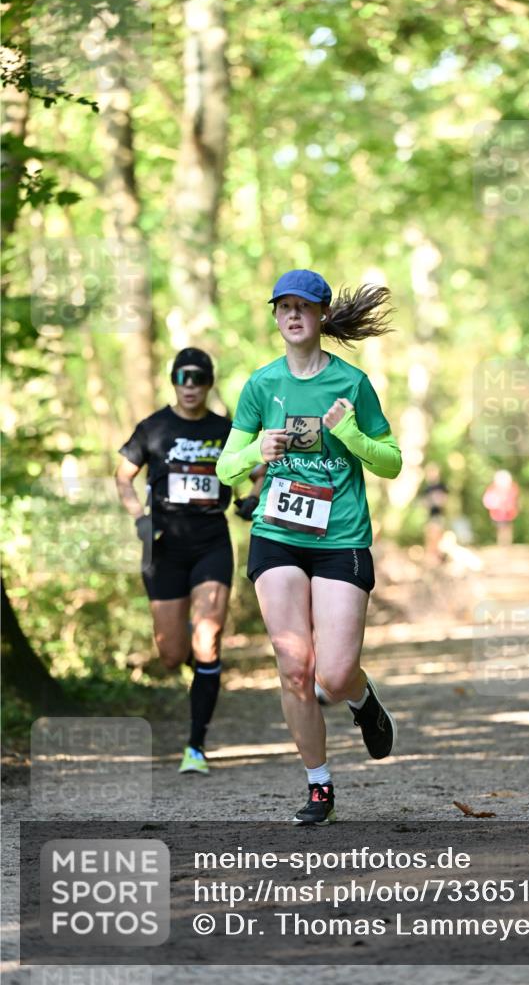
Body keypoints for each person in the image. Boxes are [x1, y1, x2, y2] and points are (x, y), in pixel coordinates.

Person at [216, 269, 402, 825]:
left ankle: (362, 700)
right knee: (294, 665)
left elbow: (391, 461)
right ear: (275, 316)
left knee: (334, 673)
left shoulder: (352, 382)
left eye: (304, 306)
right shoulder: (259, 385)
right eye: (284, 307)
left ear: (322, 316)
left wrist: (350, 436)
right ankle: (318, 785)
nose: (293, 315)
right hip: (276, 533)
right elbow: (226, 467)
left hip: (340, 536)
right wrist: (256, 453)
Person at [116, 348, 253, 775]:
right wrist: (138, 517)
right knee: (173, 655)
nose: (190, 386)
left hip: (211, 540)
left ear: (209, 383)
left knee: (207, 640)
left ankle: (195, 746)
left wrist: (252, 498)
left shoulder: (227, 430)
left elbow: (258, 470)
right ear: (173, 382)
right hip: (164, 547)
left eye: (198, 378)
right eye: (183, 378)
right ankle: (199, 660)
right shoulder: (153, 428)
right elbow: (123, 476)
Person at [482, 469, 520, 546]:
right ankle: (502, 543)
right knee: (501, 528)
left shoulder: (511, 488)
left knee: (507, 528)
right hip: (498, 514)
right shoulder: (493, 489)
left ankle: (506, 543)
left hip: (509, 513)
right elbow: (488, 500)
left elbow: (514, 499)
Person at [421, 462, 449, 564]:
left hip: (439, 515)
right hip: (430, 515)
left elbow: (442, 501)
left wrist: (433, 501)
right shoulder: (427, 488)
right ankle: (431, 558)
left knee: (437, 536)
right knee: (430, 537)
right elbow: (425, 503)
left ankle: (438, 558)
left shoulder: (441, 486)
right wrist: (432, 501)